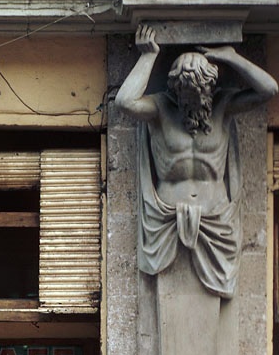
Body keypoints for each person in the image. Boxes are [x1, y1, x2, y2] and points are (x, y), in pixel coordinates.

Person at [115, 24, 278, 298]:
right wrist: (148, 56)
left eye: (201, 93)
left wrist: (231, 56)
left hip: (217, 220)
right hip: (165, 218)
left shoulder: (223, 106)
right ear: (175, 91)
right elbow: (124, 101)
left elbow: (269, 89)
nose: (195, 100)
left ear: (210, 88)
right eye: (186, 95)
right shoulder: (161, 108)